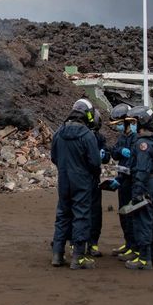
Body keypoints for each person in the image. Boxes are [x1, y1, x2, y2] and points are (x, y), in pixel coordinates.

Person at [50, 98, 102, 269]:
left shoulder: (59, 132)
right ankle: (78, 256)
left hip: (64, 179)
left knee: (63, 214)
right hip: (82, 180)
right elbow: (95, 162)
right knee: (81, 215)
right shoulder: (87, 135)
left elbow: (54, 157)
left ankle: (57, 254)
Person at [124, 106, 153, 270]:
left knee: (143, 219)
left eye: (133, 122)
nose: (132, 126)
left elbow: (141, 169)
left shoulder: (143, 143)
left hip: (145, 182)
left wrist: (137, 192)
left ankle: (144, 258)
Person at [107, 104, 137, 261]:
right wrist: (119, 151)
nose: (117, 127)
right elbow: (115, 153)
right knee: (123, 213)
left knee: (132, 214)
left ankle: (135, 247)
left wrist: (120, 179)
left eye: (119, 123)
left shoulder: (136, 137)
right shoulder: (122, 138)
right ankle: (128, 244)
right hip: (123, 181)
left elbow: (133, 163)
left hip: (132, 182)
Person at [86, 109, 111, 257]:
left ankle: (92, 243)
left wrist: (104, 154)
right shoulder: (80, 136)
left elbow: (106, 156)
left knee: (95, 213)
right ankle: (76, 243)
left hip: (93, 178)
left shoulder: (99, 138)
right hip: (82, 178)